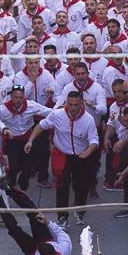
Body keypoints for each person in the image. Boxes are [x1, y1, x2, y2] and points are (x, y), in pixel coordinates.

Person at [24, 90, 99, 226]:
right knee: (62, 185)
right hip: (63, 155)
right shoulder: (57, 115)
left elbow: (94, 140)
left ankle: (80, 210)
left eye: (76, 105)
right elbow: (41, 126)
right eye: (70, 104)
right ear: (66, 103)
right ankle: (62, 218)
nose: (73, 108)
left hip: (81, 155)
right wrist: (30, 140)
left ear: (81, 103)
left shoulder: (88, 119)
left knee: (81, 186)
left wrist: (88, 151)